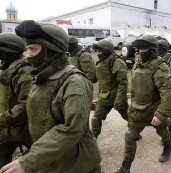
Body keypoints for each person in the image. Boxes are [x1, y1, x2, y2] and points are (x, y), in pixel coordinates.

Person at [0, 20, 101, 173]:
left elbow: (72, 129)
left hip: (76, 165)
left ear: (51, 50)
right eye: (28, 49)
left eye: (33, 49)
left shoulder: (74, 82)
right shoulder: (43, 77)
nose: (28, 56)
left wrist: (30, 161)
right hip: (53, 161)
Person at [116, 35, 171, 173]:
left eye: (145, 48)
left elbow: (168, 93)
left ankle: (167, 148)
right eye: (139, 48)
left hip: (154, 110)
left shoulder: (160, 67)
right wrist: (131, 106)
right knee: (129, 135)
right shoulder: (137, 64)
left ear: (153, 50)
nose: (141, 51)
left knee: (163, 131)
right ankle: (125, 167)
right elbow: (135, 89)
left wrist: (160, 114)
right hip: (138, 110)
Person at [0, 33, 33, 168]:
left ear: (9, 52)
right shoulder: (9, 69)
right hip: (9, 127)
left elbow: (25, 105)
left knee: (46, 163)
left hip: (26, 129)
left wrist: (2, 119)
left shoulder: (25, 72)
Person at [91, 39, 129, 138]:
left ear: (106, 50)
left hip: (116, 97)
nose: (98, 53)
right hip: (104, 98)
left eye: (100, 51)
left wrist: (120, 100)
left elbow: (123, 83)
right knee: (95, 119)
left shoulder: (117, 62)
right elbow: (97, 79)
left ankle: (134, 132)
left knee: (128, 117)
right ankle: (92, 141)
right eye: (97, 51)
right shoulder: (101, 62)